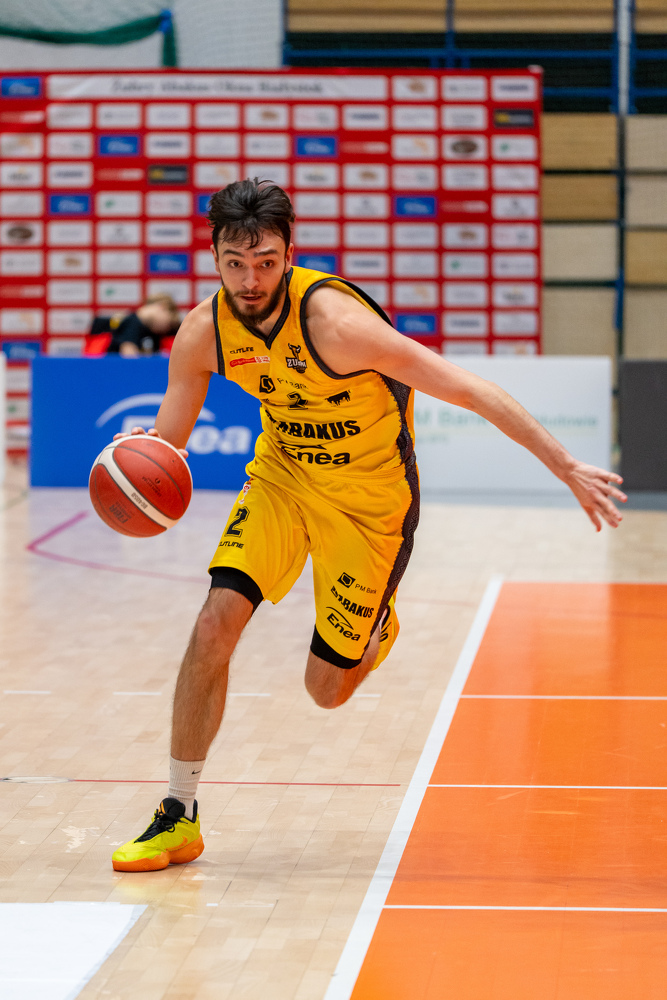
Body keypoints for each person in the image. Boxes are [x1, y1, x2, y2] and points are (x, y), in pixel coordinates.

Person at [111, 178, 626, 872]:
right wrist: (139, 462)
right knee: (213, 624)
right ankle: (179, 813)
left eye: (265, 262)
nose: (251, 279)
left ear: (289, 254)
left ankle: (376, 628)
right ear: (214, 258)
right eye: (236, 263)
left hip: (370, 503)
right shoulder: (203, 332)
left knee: (325, 690)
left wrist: (565, 466)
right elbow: (168, 444)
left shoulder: (337, 325)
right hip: (283, 480)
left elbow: (471, 390)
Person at [85, 295, 180, 357]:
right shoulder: (133, 322)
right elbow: (130, 357)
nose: (167, 328)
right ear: (163, 307)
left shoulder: (146, 328)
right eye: (170, 323)